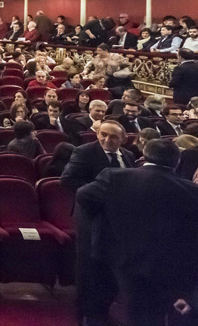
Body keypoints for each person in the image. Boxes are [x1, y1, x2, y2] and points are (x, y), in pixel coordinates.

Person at [76, 139, 198, 326]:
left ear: (144, 155)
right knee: (149, 315)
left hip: (113, 254)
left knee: (99, 309)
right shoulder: (190, 190)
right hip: (160, 263)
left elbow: (84, 196)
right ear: (177, 161)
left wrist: (108, 220)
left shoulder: (113, 177)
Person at [60, 120, 135, 326]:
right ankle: (85, 313)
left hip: (118, 222)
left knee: (111, 266)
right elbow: (68, 179)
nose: (106, 139)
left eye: (112, 137)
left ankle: (103, 308)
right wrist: (100, 195)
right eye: (103, 134)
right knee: (88, 266)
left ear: (124, 139)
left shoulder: (128, 156)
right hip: (90, 218)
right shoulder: (84, 152)